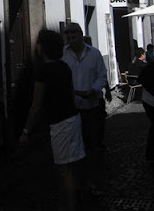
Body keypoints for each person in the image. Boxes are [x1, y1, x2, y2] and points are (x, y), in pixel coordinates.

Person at [20, 29, 85, 211]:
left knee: (64, 171)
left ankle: (69, 206)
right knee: (70, 167)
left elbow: (36, 105)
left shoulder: (43, 72)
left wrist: (26, 130)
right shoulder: (64, 67)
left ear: (43, 47)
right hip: (73, 118)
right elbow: (71, 93)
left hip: (60, 123)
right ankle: (67, 203)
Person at [62, 23, 108, 196]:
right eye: (68, 37)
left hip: (91, 108)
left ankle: (93, 182)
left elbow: (102, 75)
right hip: (71, 110)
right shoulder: (63, 55)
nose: (71, 40)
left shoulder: (94, 54)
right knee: (73, 148)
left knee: (92, 147)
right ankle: (77, 183)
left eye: (74, 36)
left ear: (81, 35)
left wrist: (94, 90)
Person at [138, 52, 154, 163]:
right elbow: (142, 80)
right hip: (152, 101)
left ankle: (151, 154)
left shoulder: (153, 65)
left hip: (151, 100)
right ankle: (152, 155)